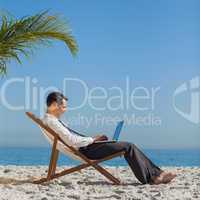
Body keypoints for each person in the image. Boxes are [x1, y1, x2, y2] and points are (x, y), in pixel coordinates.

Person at [43, 91, 176, 185]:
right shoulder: (52, 122)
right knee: (128, 146)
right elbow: (71, 141)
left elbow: (70, 139)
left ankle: (156, 174)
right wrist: (93, 139)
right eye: (64, 106)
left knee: (126, 146)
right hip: (86, 150)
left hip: (87, 147)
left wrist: (94, 139)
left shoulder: (51, 120)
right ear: (55, 104)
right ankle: (153, 177)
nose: (65, 110)